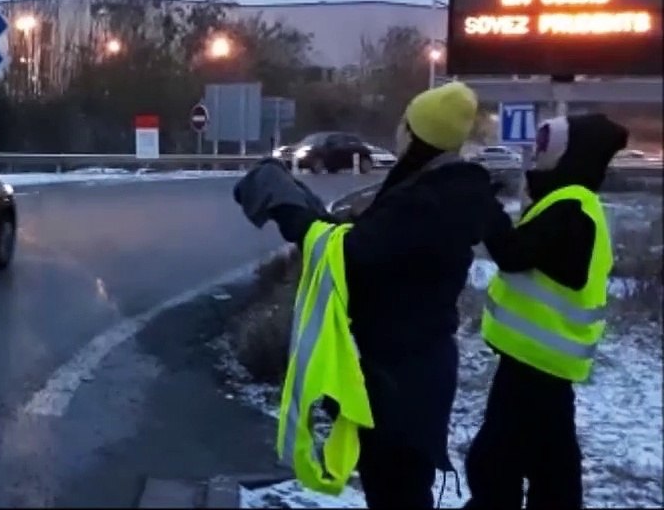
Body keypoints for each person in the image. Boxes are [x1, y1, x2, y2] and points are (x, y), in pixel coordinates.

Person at [234, 81, 510, 507]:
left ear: (419, 134)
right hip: (417, 365)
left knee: (395, 489)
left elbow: (350, 254)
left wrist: (287, 208)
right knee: (400, 486)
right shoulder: (450, 189)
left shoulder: (426, 200)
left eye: (406, 123)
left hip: (401, 374)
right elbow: (375, 245)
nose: (398, 131)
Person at [465, 114, 627, 509]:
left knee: (493, 464)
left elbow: (512, 254)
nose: (538, 156)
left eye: (547, 148)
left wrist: (484, 204)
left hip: (535, 361)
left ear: (570, 156)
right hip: (544, 361)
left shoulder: (570, 207)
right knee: (552, 465)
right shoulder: (572, 202)